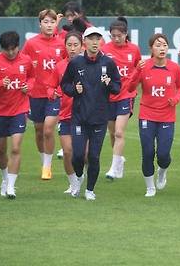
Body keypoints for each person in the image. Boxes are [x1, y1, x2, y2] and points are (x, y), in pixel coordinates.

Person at [61, 27, 121, 200]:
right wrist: (74, 89)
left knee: (93, 156)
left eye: (97, 39)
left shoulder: (108, 63)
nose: (95, 42)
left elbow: (117, 88)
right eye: (91, 39)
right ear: (84, 42)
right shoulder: (76, 63)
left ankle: (90, 190)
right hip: (79, 117)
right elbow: (64, 85)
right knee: (77, 155)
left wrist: (110, 83)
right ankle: (79, 176)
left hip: (100, 118)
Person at [128, 34, 180, 196]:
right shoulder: (144, 66)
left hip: (167, 116)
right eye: (158, 45)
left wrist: (176, 98)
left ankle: (162, 171)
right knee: (147, 152)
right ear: (151, 48)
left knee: (163, 155)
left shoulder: (174, 68)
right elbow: (130, 88)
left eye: (164, 45)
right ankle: (150, 187)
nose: (162, 48)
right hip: (147, 115)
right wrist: (137, 70)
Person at [0, 31, 34, 199]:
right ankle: (5, 178)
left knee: (16, 147)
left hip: (20, 109)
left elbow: (32, 77)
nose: (11, 53)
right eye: (7, 49)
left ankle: (11, 186)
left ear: (18, 46)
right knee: (1, 149)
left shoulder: (26, 60)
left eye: (14, 49)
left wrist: (28, 87)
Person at [22, 9, 67, 180]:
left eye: (52, 22)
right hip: (36, 94)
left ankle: (47, 167)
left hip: (55, 94)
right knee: (39, 130)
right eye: (45, 22)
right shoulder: (31, 44)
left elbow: (67, 67)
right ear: (40, 24)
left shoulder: (62, 44)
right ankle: (44, 161)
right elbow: (24, 65)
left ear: (56, 24)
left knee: (49, 129)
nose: (49, 25)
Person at [101, 18, 142, 180]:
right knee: (112, 133)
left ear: (126, 34)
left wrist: (134, 84)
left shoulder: (134, 49)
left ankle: (113, 168)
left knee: (119, 132)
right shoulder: (105, 49)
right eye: (113, 36)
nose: (116, 38)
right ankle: (119, 162)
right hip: (108, 96)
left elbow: (139, 68)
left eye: (119, 35)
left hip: (126, 95)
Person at [52, 32, 84, 193]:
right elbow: (51, 86)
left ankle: (80, 177)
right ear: (64, 46)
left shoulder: (90, 64)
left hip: (85, 116)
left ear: (82, 46)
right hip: (65, 114)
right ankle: (74, 184)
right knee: (67, 151)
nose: (72, 49)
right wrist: (52, 92)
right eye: (69, 45)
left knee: (83, 155)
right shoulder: (59, 66)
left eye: (75, 45)